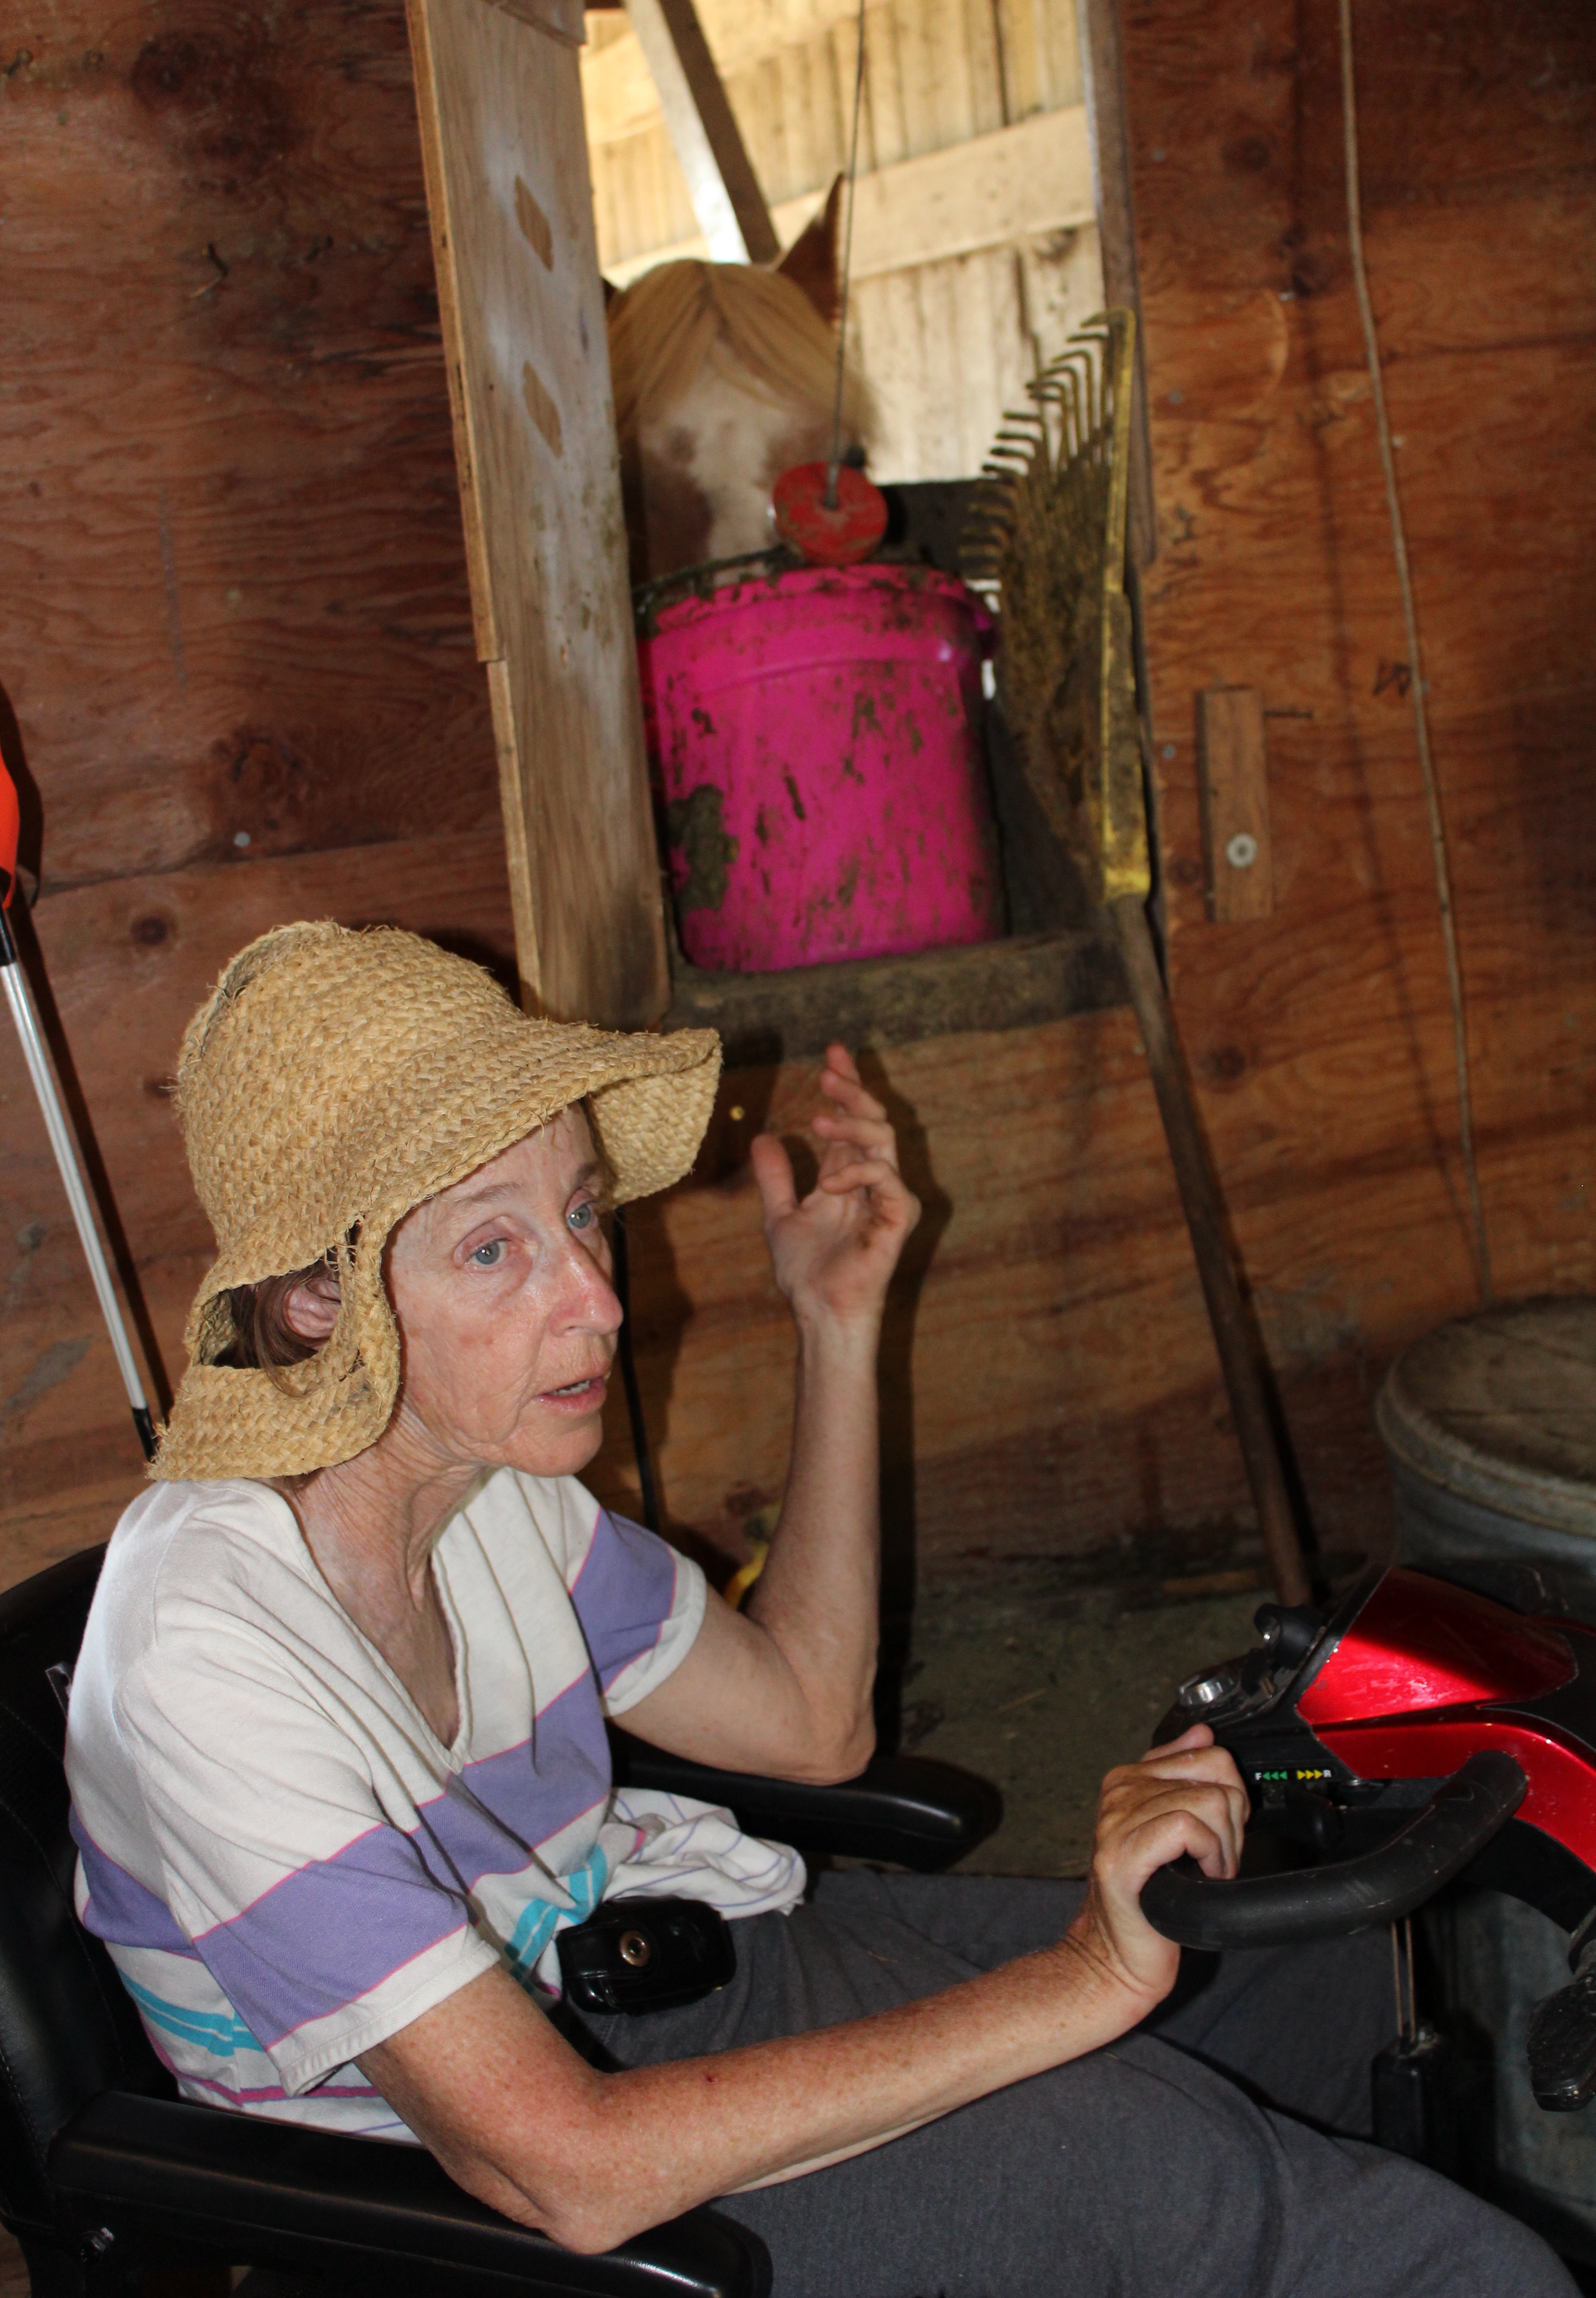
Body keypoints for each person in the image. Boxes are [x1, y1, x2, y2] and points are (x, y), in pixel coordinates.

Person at [66, 921, 1571, 2298]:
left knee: (1298, 1969)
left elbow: (808, 1723)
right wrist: (1085, 1983)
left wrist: (834, 1324)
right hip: (510, 2201)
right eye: (493, 1246)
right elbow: (566, 2168)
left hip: (678, 1957)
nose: (594, 1294)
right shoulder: (205, 1649)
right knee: (1277, 2211)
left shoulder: (492, 1492)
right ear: (320, 1301)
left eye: (583, 1211)